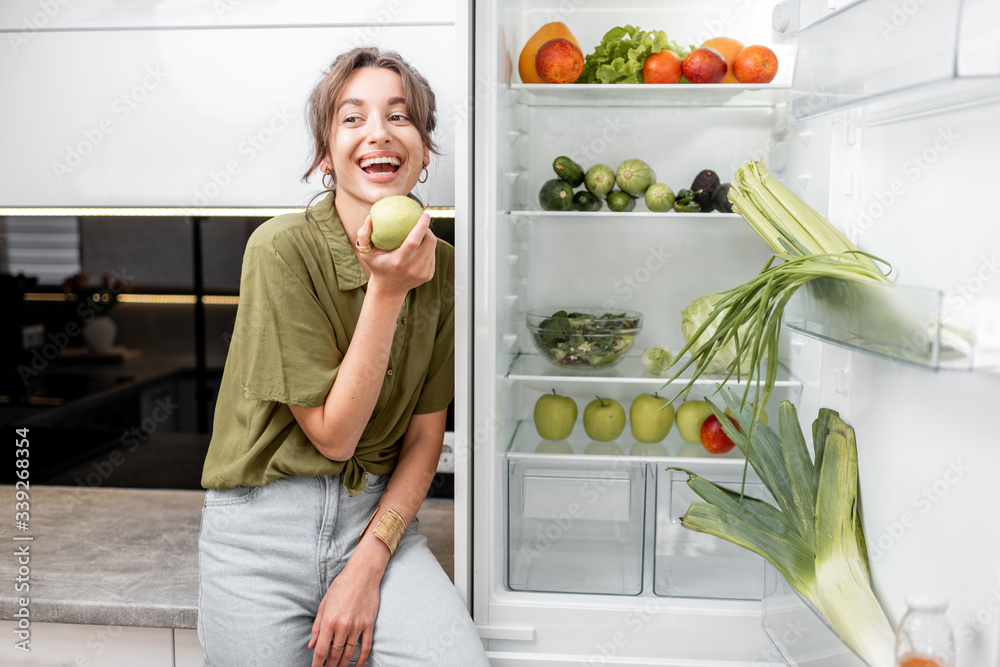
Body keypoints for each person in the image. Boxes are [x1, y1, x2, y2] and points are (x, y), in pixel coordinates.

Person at [197, 47, 490, 667]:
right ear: (325, 155)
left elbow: (424, 438)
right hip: (259, 538)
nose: (379, 132)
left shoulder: (446, 267)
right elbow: (333, 437)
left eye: (400, 116)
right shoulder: (280, 250)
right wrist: (387, 291)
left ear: (425, 151)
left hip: (378, 523)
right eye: (352, 118)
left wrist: (369, 560)